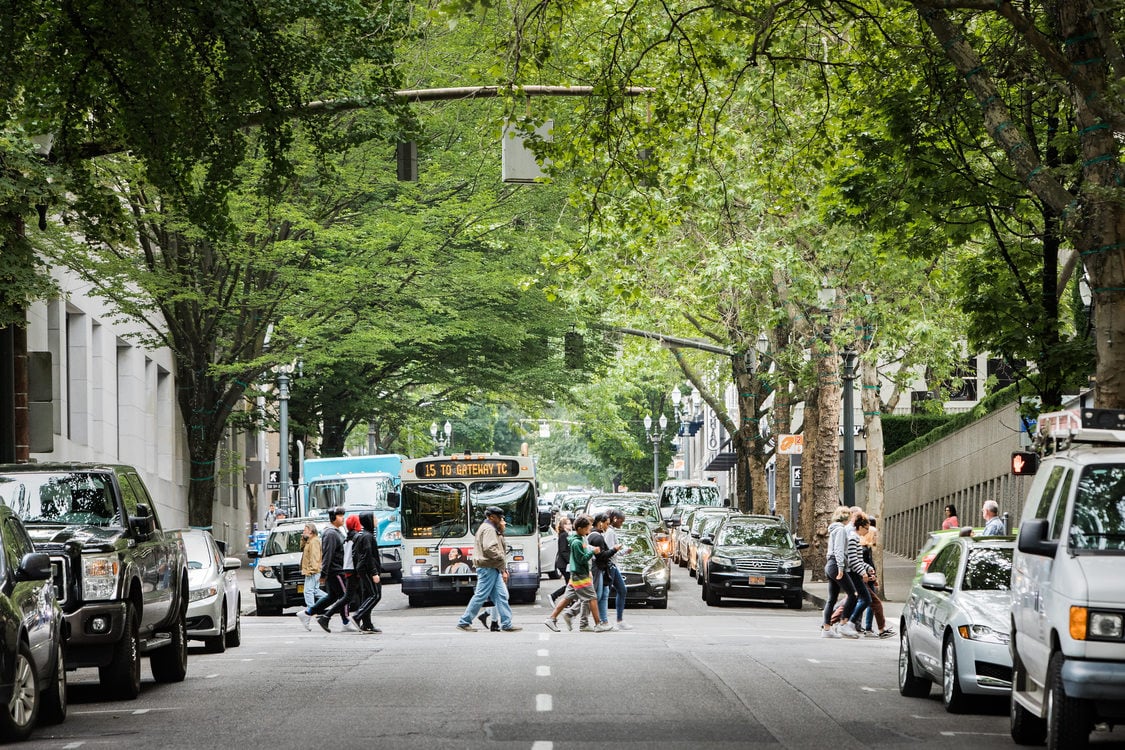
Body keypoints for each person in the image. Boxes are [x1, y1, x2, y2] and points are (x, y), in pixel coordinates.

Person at [455, 506, 521, 632]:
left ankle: (506, 623)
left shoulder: (489, 528)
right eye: (499, 517)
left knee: (501, 595)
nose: (501, 520)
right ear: (491, 517)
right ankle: (464, 622)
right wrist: (501, 558)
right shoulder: (489, 529)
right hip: (488, 567)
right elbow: (489, 548)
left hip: (492, 567)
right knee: (480, 595)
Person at [544, 514, 612, 632]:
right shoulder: (577, 542)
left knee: (568, 597)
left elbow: (585, 550)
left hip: (579, 573)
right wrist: (593, 552)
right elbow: (581, 558)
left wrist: (590, 555)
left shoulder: (581, 539)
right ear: (580, 528)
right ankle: (597, 624)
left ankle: (552, 618)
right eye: (587, 528)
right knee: (592, 597)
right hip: (580, 574)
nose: (589, 530)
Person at [298, 506, 350, 632]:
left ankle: (308, 613)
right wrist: (323, 573)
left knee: (332, 597)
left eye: (343, 515)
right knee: (345, 596)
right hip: (335, 570)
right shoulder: (331, 533)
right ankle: (345, 621)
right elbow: (327, 554)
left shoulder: (336, 531)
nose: (342, 518)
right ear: (333, 518)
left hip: (335, 570)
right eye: (339, 515)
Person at [821, 506, 856, 639]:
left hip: (830, 564)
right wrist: (841, 568)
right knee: (853, 594)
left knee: (832, 599)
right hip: (836, 565)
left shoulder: (833, 529)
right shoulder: (841, 530)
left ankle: (827, 628)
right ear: (847, 518)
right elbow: (839, 550)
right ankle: (843, 623)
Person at [350, 512, 384, 633]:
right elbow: (368, 556)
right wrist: (374, 572)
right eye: (374, 517)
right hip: (368, 570)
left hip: (364, 570)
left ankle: (367, 624)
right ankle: (357, 616)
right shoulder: (367, 536)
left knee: (367, 596)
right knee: (375, 595)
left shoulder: (364, 535)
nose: (376, 520)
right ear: (369, 520)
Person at [604, 510, 632, 630]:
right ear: (615, 519)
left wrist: (624, 551)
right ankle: (605, 620)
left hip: (613, 565)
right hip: (611, 566)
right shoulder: (610, 532)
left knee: (622, 590)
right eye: (621, 521)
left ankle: (619, 620)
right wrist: (620, 551)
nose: (622, 524)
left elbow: (614, 550)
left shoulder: (611, 531)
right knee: (604, 593)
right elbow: (610, 550)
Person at [549, 516, 573, 602]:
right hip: (564, 564)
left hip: (565, 564)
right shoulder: (564, 535)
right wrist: (571, 561)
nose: (570, 525)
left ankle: (569, 600)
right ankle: (554, 596)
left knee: (570, 584)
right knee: (570, 584)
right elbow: (563, 551)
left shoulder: (567, 535)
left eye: (570, 523)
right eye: (567, 524)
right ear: (563, 526)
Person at [299, 523, 322, 610]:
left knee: (308, 591)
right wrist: (303, 538)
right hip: (312, 570)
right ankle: (332, 599)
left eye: (305, 530)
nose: (303, 532)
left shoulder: (314, 541)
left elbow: (315, 557)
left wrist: (312, 569)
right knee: (315, 590)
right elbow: (301, 548)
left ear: (311, 531)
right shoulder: (309, 541)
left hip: (312, 571)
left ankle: (311, 610)